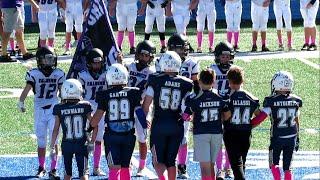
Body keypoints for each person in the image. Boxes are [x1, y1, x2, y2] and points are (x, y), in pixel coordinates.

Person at [142, 51, 193, 180]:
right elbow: (189, 106)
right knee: (171, 161)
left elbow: (146, 104)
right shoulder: (186, 83)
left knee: (157, 161)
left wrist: (144, 119)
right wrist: (187, 116)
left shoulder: (155, 79)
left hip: (159, 124)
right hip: (177, 124)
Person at [17, 46, 65, 178]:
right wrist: (21, 101)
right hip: (39, 109)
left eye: (51, 59)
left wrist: (65, 102)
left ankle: (54, 168)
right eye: (47, 59)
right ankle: (41, 167)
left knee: (54, 141)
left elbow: (62, 91)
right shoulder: (34, 74)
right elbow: (27, 89)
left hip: (54, 109)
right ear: (40, 60)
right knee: (41, 141)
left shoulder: (58, 73)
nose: (50, 62)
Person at [90, 63, 144, 180]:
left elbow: (97, 116)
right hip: (128, 136)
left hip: (112, 136)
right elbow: (139, 111)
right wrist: (144, 123)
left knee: (114, 168)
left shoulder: (104, 95)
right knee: (125, 167)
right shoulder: (133, 92)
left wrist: (90, 128)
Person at [251, 71, 302, 180]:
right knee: (288, 168)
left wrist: (247, 126)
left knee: (274, 164)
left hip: (277, 138)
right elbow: (297, 120)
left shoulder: (271, 101)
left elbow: (260, 118)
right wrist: (298, 136)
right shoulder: (296, 100)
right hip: (292, 137)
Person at [182, 69, 231, 180]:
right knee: (211, 166)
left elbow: (185, 116)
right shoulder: (220, 96)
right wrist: (219, 120)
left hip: (201, 133)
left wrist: (189, 119)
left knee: (204, 168)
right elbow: (227, 115)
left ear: (199, 81)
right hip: (216, 133)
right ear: (213, 81)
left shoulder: (194, 98)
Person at [166, 33, 200, 179]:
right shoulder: (164, 60)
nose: (185, 49)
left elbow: (197, 85)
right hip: (167, 104)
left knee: (183, 137)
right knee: (167, 135)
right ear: (173, 48)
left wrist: (197, 106)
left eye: (186, 46)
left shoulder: (191, 63)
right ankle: (169, 163)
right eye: (182, 47)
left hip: (185, 104)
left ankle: (182, 166)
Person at [50, 79, 97, 180]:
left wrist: (52, 147)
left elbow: (55, 129)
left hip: (67, 144)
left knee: (67, 175)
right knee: (83, 174)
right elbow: (94, 124)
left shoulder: (58, 107)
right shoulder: (85, 106)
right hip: (82, 143)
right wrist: (92, 142)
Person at [223, 66, 260, 180]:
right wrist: (250, 125)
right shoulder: (251, 97)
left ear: (229, 81)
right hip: (245, 133)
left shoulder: (228, 98)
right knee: (242, 162)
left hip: (231, 133)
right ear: (242, 80)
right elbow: (259, 115)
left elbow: (226, 116)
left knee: (236, 165)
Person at [126, 40, 156, 177]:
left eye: (147, 55)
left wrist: (145, 112)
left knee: (142, 138)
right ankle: (128, 163)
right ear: (137, 54)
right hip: (127, 106)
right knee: (126, 136)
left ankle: (142, 166)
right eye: (142, 54)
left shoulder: (152, 72)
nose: (144, 57)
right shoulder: (129, 66)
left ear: (151, 57)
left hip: (142, 107)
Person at [77, 48, 108, 176]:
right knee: (85, 139)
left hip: (101, 109)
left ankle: (96, 167)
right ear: (89, 63)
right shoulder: (82, 75)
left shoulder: (107, 74)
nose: (97, 65)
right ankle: (85, 167)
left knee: (99, 140)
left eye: (99, 62)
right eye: (95, 63)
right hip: (87, 109)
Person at [209, 42, 235, 179]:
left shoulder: (235, 70)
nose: (225, 59)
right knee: (218, 140)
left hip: (230, 108)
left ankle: (228, 168)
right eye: (223, 56)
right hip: (216, 107)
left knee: (229, 140)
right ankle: (219, 169)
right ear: (217, 57)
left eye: (227, 56)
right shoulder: (212, 69)